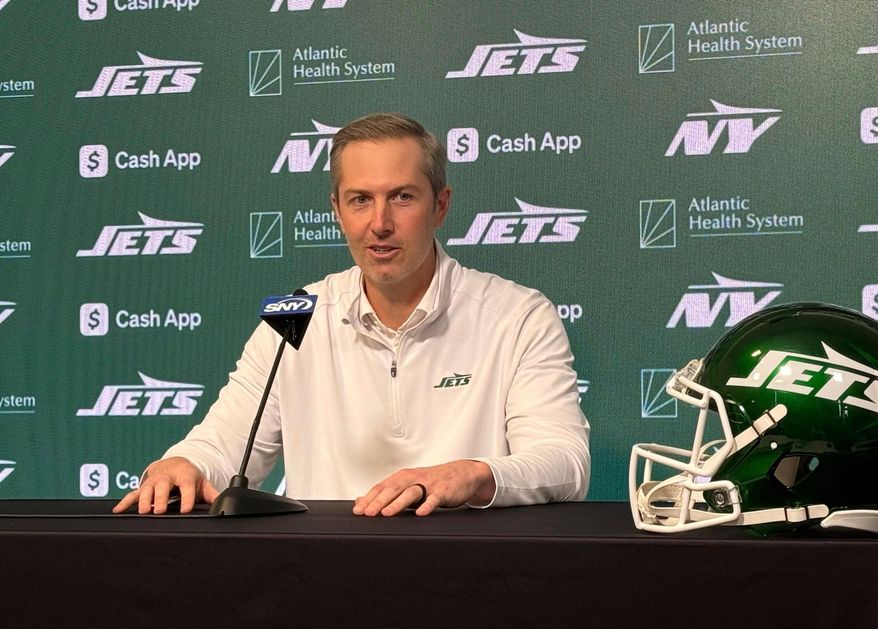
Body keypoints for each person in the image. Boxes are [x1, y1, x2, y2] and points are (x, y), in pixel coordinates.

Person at [114, 112, 590, 517]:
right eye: (360, 200)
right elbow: (224, 444)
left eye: (402, 197)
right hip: (320, 573)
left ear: (440, 205)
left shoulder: (519, 316)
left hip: (468, 571)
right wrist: (183, 463)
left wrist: (471, 474)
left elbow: (566, 464)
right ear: (337, 211)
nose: (379, 223)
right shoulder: (295, 314)